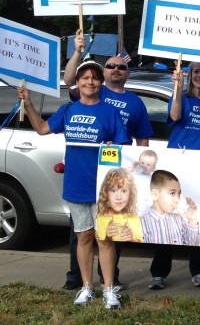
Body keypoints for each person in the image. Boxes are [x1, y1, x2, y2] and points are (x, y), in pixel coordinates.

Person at [18, 61, 128, 309]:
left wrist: (113, 147)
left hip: (103, 188)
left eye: (95, 78)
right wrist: (29, 103)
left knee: (105, 239)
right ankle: (87, 287)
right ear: (77, 83)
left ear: (101, 83)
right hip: (76, 184)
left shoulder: (110, 112)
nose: (90, 82)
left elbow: (123, 145)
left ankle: (109, 289)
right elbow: (42, 129)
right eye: (85, 78)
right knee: (84, 236)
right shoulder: (68, 109)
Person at [62, 29, 154, 290]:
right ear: (103, 74)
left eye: (121, 67)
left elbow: (143, 138)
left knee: (111, 229)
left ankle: (109, 279)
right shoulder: (93, 91)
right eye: (110, 66)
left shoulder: (136, 103)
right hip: (85, 171)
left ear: (127, 73)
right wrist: (78, 50)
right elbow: (70, 78)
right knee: (81, 231)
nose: (115, 70)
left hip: (114, 173)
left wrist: (141, 170)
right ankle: (76, 279)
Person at [147, 62, 200, 290]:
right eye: (196, 72)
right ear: (189, 75)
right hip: (177, 168)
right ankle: (159, 273)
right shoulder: (181, 99)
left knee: (196, 220)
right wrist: (177, 88)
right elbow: (174, 115)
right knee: (169, 218)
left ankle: (199, 271)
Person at [141, 170, 200, 246]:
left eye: (178, 194)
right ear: (155, 194)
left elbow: (193, 248)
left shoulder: (179, 220)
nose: (177, 200)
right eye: (172, 193)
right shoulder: (141, 222)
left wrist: (192, 220)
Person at [96, 167, 143, 243]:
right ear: (106, 192)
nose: (119, 197)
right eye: (113, 191)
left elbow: (140, 242)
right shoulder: (100, 217)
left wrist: (131, 239)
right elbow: (101, 245)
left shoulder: (133, 217)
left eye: (124, 191)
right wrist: (107, 237)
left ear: (130, 194)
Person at [129, 149, 159, 217]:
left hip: (145, 205)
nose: (144, 166)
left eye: (148, 165)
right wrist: (131, 169)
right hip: (133, 202)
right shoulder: (133, 174)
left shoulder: (152, 179)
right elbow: (123, 178)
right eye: (142, 163)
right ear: (138, 162)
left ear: (153, 168)